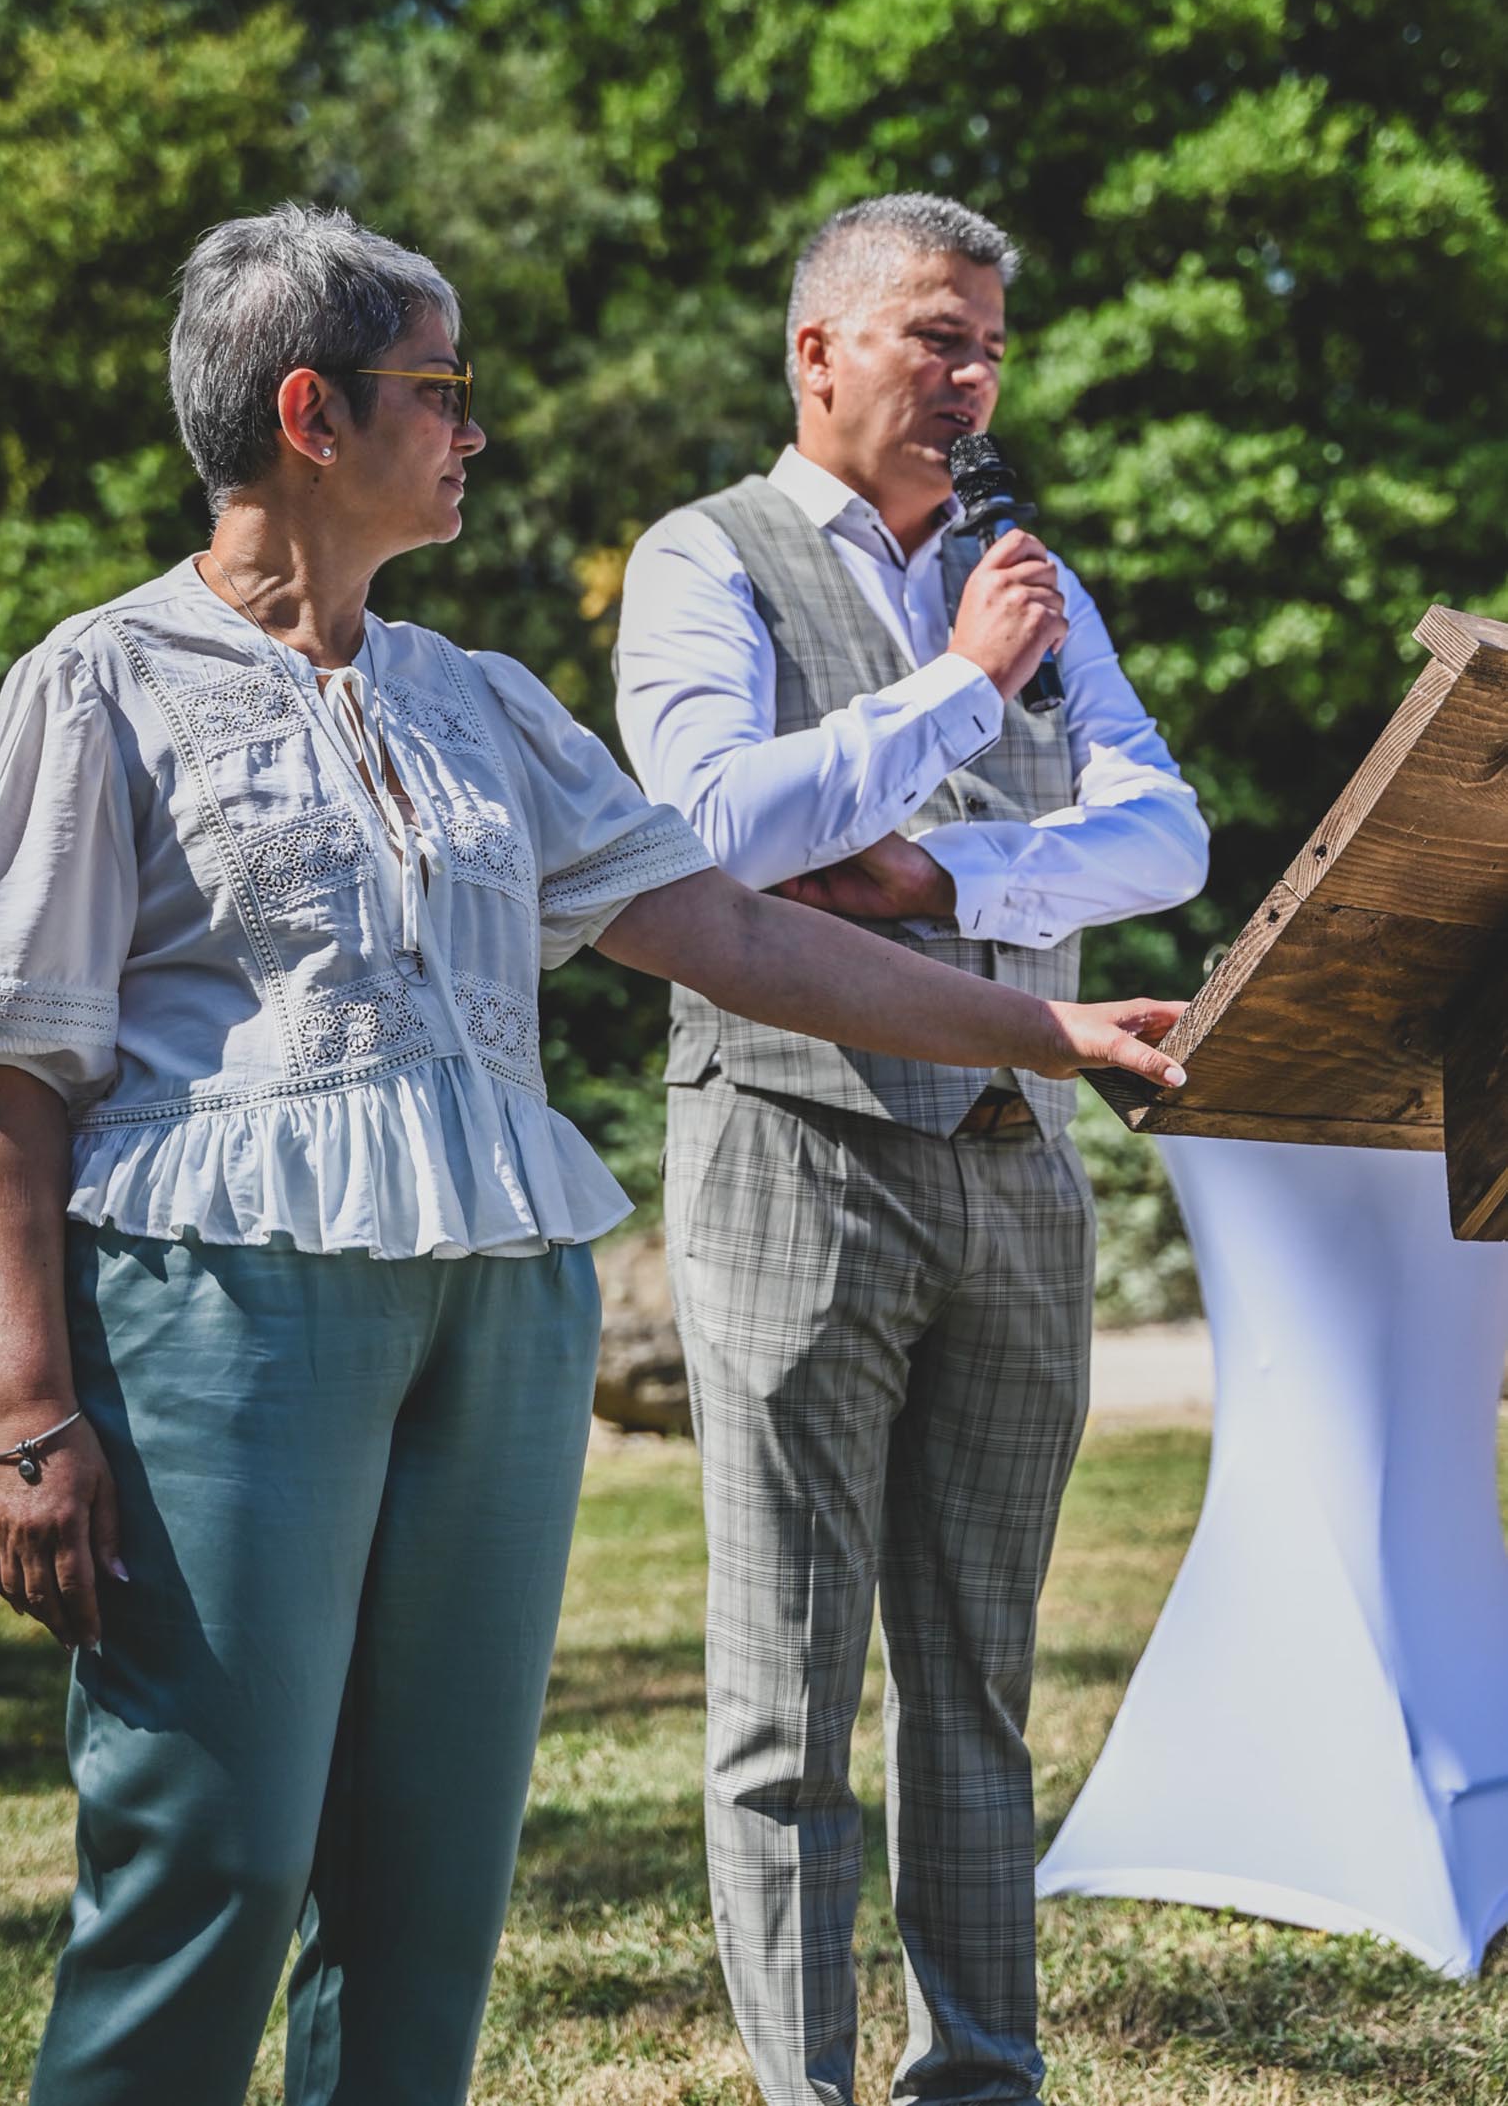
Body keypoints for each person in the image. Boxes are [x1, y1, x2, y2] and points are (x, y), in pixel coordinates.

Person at [0, 202, 1185, 2106]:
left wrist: (1045, 1024)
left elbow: (735, 931)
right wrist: (28, 1414)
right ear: (308, 413)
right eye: (440, 391)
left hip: (503, 1310)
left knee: (433, 1878)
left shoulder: (480, 699)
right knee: (215, 1858)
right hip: (225, 1316)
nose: (473, 432)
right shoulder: (98, 686)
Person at [615, 191, 1211, 2106]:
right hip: (789, 1145)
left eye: (987, 346)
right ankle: (802, 2089)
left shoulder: (1032, 577)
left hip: (1016, 1157)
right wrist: (953, 686)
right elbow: (711, 825)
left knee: (974, 1680)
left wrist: (939, 864)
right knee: (782, 1689)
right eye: (932, 338)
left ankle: (981, 2078)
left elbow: (1165, 839)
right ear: (818, 352)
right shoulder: (698, 560)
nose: (970, 379)